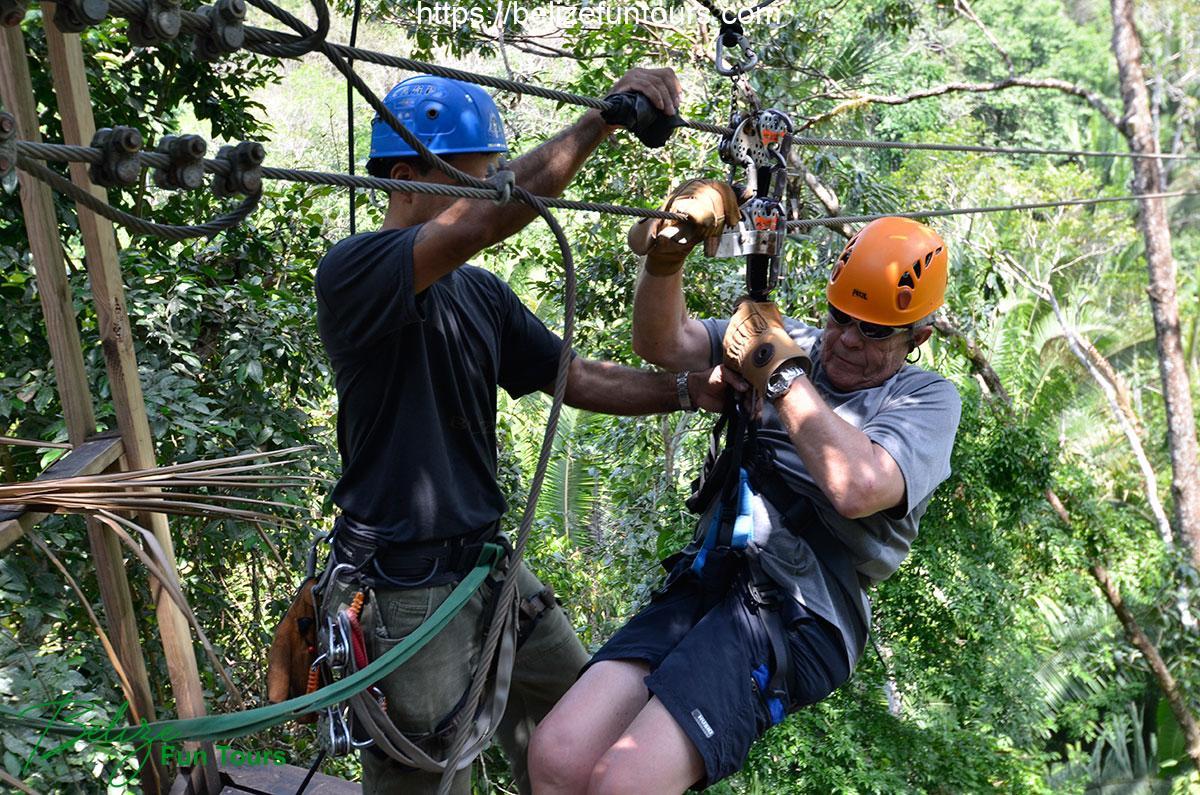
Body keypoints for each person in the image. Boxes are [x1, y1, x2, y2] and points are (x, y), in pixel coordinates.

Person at [287, 74, 744, 795]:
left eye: (494, 178)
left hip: (487, 571)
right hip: (407, 588)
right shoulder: (355, 273)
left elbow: (576, 377)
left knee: (584, 728)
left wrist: (692, 391)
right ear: (406, 178)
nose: (492, 193)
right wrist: (604, 121)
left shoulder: (480, 293)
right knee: (430, 776)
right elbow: (478, 223)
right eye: (477, 182)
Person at [529, 183, 963, 794]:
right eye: (841, 318)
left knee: (624, 782)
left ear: (915, 338)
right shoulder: (795, 341)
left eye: (874, 333)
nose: (846, 341)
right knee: (558, 755)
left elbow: (857, 486)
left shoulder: (922, 398)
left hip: (800, 609)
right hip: (712, 578)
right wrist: (667, 257)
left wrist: (779, 372)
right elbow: (663, 344)